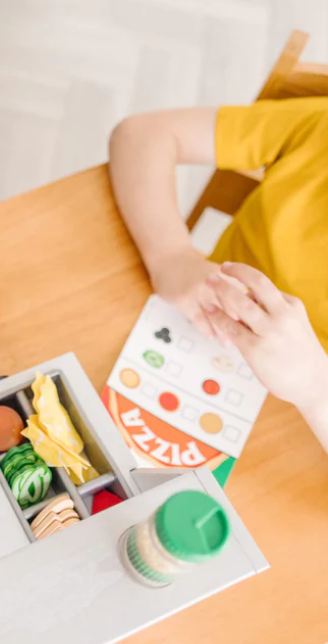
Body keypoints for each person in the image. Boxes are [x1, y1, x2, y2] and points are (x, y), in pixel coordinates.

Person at [108, 99, 328, 450]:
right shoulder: (320, 126)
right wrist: (171, 255)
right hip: (191, 322)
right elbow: (140, 136)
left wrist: (317, 391)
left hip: (294, 434)